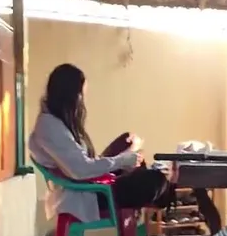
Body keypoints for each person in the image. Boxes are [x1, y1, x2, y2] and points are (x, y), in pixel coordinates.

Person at [28, 63, 174, 225]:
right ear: (70, 96)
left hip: (89, 183)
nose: (82, 102)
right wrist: (123, 160)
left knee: (126, 141)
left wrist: (126, 154)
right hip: (88, 194)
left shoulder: (54, 122)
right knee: (156, 181)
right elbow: (81, 170)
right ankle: (162, 194)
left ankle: (158, 190)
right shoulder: (50, 127)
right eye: (81, 95)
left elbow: (81, 162)